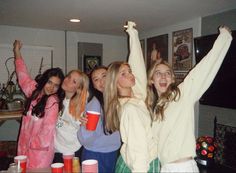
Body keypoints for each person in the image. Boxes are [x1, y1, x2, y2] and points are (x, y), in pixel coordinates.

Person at [146, 26, 232, 172]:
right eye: (158, 73)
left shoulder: (181, 94)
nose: (163, 77)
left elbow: (204, 69)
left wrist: (224, 38)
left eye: (167, 73)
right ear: (151, 80)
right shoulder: (157, 106)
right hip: (165, 168)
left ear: (172, 78)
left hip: (183, 168)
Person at [104, 21, 159, 173]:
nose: (131, 75)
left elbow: (138, 66)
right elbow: (138, 147)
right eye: (124, 74)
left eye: (129, 71)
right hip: (142, 165)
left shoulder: (134, 100)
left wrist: (133, 35)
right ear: (115, 83)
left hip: (132, 162)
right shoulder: (130, 109)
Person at [13, 40, 65, 168]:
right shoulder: (34, 91)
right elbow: (22, 75)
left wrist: (33, 145)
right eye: (49, 82)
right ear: (44, 81)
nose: (52, 88)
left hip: (39, 153)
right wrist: (17, 51)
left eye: (56, 85)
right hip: (24, 147)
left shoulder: (53, 101)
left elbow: (47, 130)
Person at [77, 66, 121, 173]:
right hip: (95, 154)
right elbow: (86, 138)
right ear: (94, 85)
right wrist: (83, 127)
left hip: (113, 153)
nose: (101, 82)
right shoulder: (95, 104)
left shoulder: (117, 100)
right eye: (96, 79)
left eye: (104, 76)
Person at [53, 69, 89, 163]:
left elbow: (85, 131)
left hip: (72, 152)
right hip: (57, 150)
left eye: (73, 81)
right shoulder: (60, 101)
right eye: (69, 77)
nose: (67, 80)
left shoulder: (80, 107)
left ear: (78, 89)